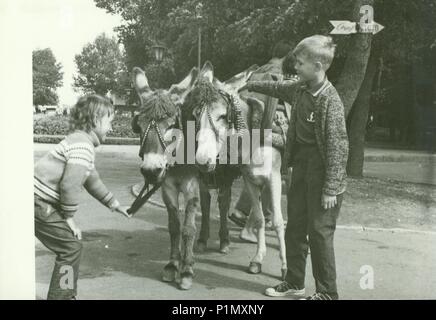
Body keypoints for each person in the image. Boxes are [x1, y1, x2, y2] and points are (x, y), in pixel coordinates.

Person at [240, 35, 349, 300]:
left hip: (324, 175)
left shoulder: (329, 100)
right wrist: (247, 83)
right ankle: (294, 282)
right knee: (296, 228)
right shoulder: (300, 89)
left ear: (319, 66)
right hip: (300, 168)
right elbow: (275, 89)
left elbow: (339, 147)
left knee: (319, 234)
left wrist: (331, 189)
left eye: (300, 63)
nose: (295, 67)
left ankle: (327, 292)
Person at [34, 94, 130, 300]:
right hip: (38, 203)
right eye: (109, 123)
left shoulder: (80, 141)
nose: (111, 129)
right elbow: (70, 184)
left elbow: (91, 180)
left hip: (36, 201)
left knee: (70, 247)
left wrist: (115, 204)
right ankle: (61, 296)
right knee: (70, 247)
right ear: (96, 120)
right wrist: (69, 218)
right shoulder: (82, 146)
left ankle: (64, 294)